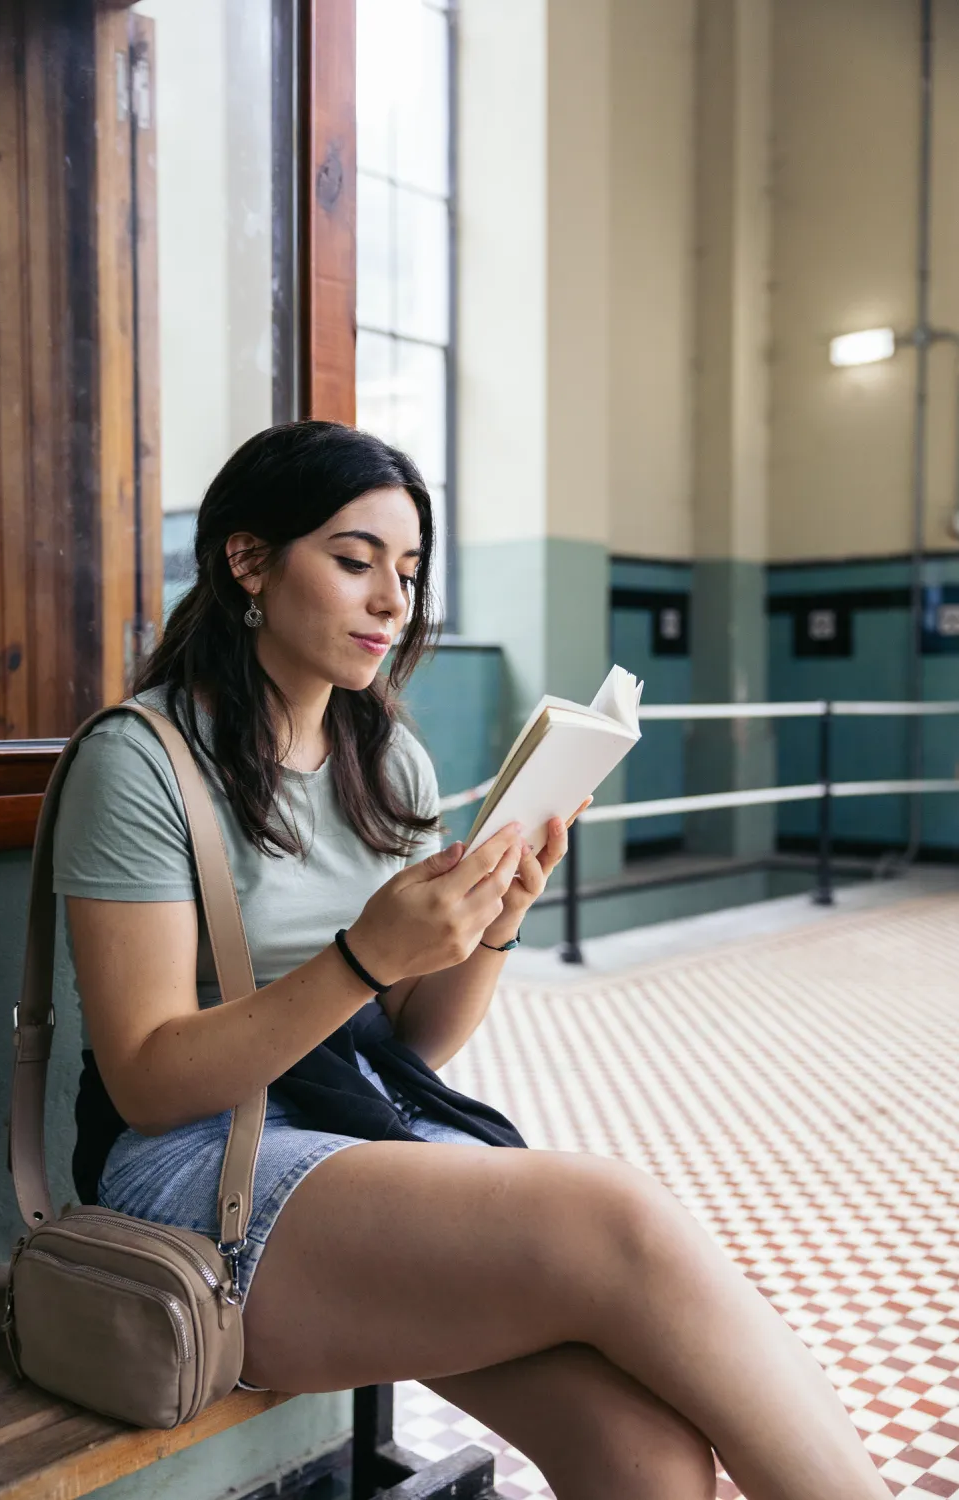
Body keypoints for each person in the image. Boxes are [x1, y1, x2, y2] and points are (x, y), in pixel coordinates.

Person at [55, 420, 891, 1500]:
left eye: (407, 573)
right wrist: (363, 958)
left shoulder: (383, 759)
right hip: (190, 1173)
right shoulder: (141, 759)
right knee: (620, 1219)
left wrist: (496, 919)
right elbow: (146, 1079)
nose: (391, 603)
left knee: (639, 1450)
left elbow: (416, 1044)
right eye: (354, 561)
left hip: (352, 1123)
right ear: (248, 560)